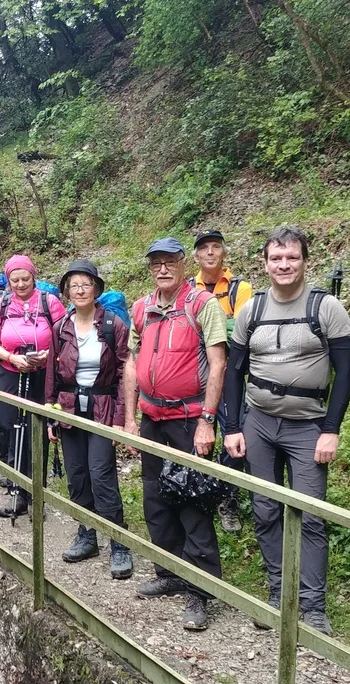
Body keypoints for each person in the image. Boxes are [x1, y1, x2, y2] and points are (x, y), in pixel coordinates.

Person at [223, 226, 350, 637]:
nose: (284, 265)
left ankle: (312, 608)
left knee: (311, 515)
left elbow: (346, 371)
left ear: (304, 261)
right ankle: (279, 594)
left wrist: (331, 430)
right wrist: (232, 426)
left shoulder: (326, 307)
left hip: (307, 426)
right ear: (265, 263)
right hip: (258, 422)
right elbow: (233, 371)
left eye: (292, 258)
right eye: (276, 259)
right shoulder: (252, 310)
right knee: (264, 510)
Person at [122, 237, 227, 631]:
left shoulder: (203, 305)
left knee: (193, 500)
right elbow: (131, 364)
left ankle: (201, 590)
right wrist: (129, 419)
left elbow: (218, 365)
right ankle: (168, 572)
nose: (163, 269)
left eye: (170, 262)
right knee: (155, 497)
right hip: (151, 417)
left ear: (184, 264)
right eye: (156, 264)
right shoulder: (141, 308)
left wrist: (207, 420)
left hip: (188, 418)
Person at [45, 259, 133, 580]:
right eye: (74, 285)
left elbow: (124, 372)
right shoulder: (60, 327)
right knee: (77, 474)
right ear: (67, 291)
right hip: (68, 406)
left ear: (96, 288)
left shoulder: (113, 325)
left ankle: (119, 542)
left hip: (103, 407)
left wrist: (122, 419)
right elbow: (52, 374)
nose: (80, 290)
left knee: (101, 473)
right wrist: (50, 413)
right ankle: (87, 534)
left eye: (86, 284)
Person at [0, 255, 67, 518]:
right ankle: (16, 492)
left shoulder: (49, 302)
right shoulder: (2, 304)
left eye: (25, 279)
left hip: (43, 375)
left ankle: (36, 496)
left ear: (34, 277)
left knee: (38, 433)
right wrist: (11, 357)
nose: (20, 284)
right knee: (10, 429)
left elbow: (65, 336)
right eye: (15, 280)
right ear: (8, 280)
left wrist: (48, 355)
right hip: (10, 372)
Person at [190, 229, 255, 533]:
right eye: (205, 249)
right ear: (196, 256)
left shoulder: (240, 288)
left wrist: (210, 326)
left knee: (233, 437)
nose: (211, 253)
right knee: (196, 435)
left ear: (224, 253)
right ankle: (197, 493)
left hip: (232, 376)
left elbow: (241, 330)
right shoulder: (189, 287)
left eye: (216, 247)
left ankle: (227, 501)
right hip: (197, 374)